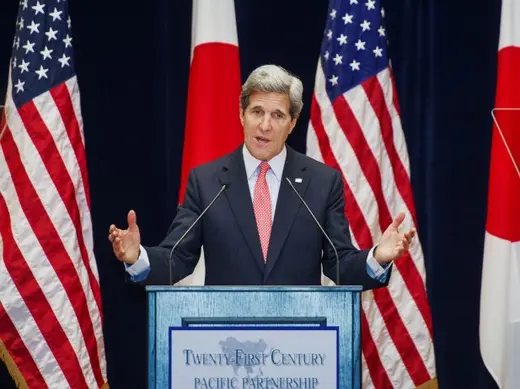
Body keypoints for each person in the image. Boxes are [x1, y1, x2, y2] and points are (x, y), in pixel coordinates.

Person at [108, 64, 415, 288]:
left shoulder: (322, 183)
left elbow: (340, 264)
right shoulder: (207, 181)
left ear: (292, 123)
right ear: (242, 115)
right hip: (225, 348)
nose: (265, 125)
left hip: (300, 350)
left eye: (277, 115)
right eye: (257, 112)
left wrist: (378, 257)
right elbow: (177, 258)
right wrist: (138, 257)